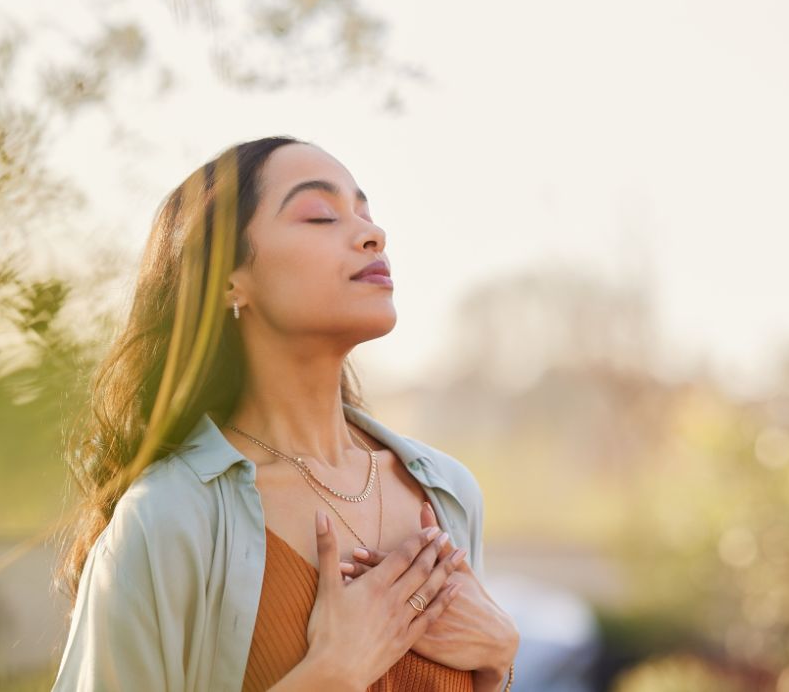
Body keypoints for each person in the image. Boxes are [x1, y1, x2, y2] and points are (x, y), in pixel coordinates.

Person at [50, 136, 519, 691]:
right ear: (229, 279)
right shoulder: (168, 519)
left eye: (366, 214)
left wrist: (499, 659)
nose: (374, 235)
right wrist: (329, 675)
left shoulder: (448, 493)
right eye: (320, 216)